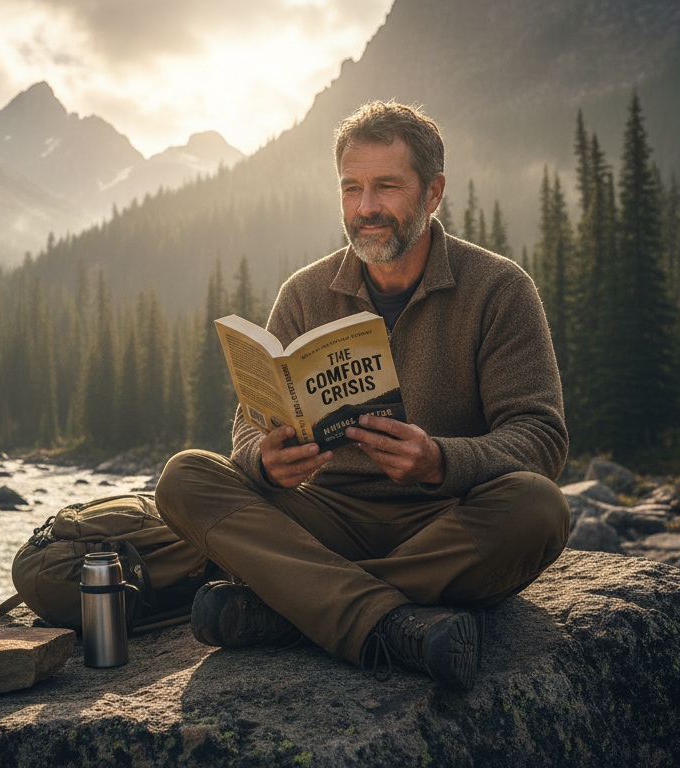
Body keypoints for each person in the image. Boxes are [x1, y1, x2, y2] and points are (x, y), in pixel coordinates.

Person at [153, 100, 570, 691]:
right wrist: (263, 461)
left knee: (540, 507)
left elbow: (541, 437)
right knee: (184, 477)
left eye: (387, 187)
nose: (366, 208)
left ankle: (290, 608)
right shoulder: (305, 292)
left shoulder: (498, 289)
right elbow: (248, 425)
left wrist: (439, 461)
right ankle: (389, 619)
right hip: (325, 515)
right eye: (352, 188)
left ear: (433, 192)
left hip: (447, 516)